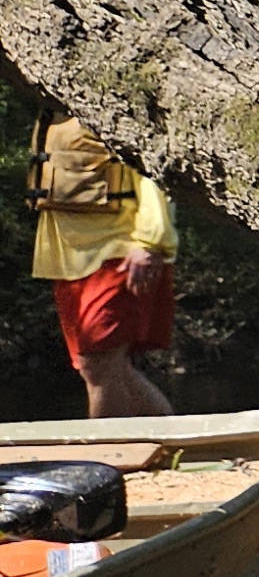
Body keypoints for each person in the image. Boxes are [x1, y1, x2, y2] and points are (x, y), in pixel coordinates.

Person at [29, 113, 174, 419]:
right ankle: (172, 438)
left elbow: (153, 171)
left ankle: (105, 457)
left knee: (99, 365)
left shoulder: (107, 100)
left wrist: (149, 242)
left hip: (117, 250)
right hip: (70, 258)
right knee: (101, 366)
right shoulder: (53, 104)